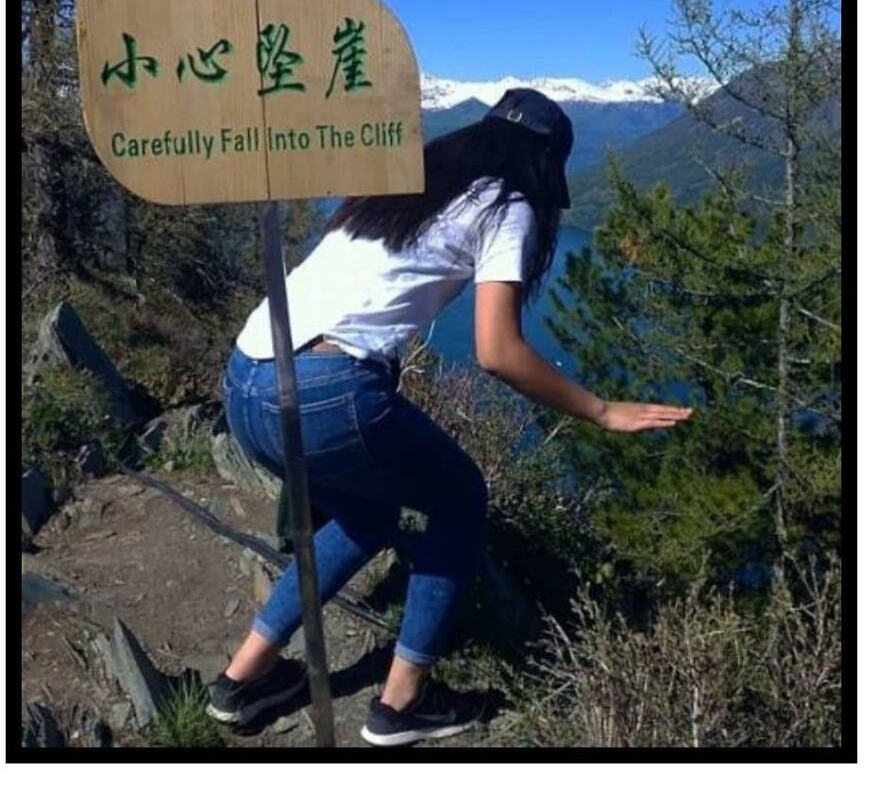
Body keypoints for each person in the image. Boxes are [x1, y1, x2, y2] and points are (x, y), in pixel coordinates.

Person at [206, 89, 694, 746]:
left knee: (364, 515)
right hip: (324, 393)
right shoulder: (509, 204)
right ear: (545, 164)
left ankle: (242, 681)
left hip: (244, 381)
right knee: (461, 498)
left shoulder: (400, 186)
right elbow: (498, 351)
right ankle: (400, 704)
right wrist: (603, 411)